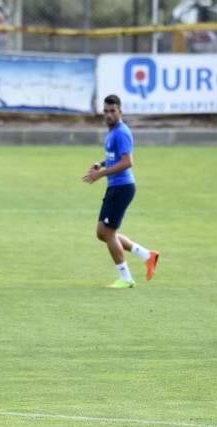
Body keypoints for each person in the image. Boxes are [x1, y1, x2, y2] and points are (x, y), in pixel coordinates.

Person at [82, 94, 160, 288]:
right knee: (103, 232)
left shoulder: (121, 132)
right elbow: (115, 157)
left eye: (112, 111)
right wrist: (100, 164)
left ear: (120, 112)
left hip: (122, 187)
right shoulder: (112, 132)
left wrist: (99, 175)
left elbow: (127, 162)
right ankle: (147, 255)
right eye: (106, 111)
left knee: (108, 234)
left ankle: (126, 279)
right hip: (116, 187)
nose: (108, 114)